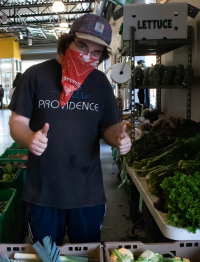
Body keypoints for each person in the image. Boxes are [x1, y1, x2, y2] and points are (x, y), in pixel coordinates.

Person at [8, 14, 132, 245]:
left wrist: (118, 137)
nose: (87, 55)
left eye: (95, 52)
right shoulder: (35, 76)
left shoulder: (100, 83)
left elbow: (108, 126)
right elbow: (17, 122)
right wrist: (29, 138)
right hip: (43, 192)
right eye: (81, 45)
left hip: (87, 193)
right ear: (68, 42)